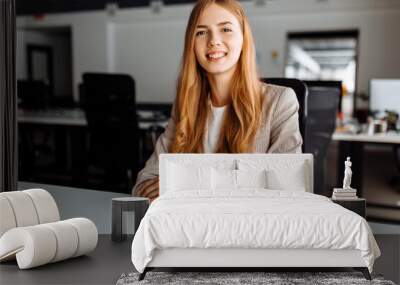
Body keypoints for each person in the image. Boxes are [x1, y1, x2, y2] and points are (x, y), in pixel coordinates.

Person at [134, 0, 302, 201]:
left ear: (243, 39)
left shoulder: (280, 102)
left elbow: (287, 187)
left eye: (226, 29)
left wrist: (184, 184)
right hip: (191, 226)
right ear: (192, 45)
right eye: (201, 32)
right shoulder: (186, 105)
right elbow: (145, 181)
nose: (214, 40)